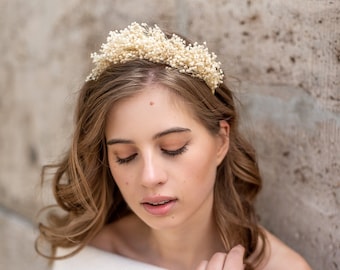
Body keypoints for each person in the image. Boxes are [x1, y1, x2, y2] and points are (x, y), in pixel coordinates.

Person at [36, 22, 312, 270]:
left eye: (173, 148)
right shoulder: (84, 257)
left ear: (221, 140)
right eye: (126, 156)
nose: (150, 177)